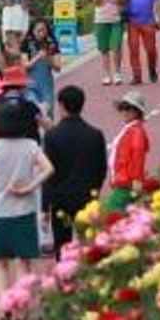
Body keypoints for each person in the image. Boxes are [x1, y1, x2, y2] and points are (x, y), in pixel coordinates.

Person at [0, 106, 54, 309]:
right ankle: (21, 306)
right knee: (23, 262)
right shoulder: (30, 145)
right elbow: (48, 169)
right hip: (25, 210)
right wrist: (30, 187)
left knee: (0, 262)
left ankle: (5, 304)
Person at [42, 86, 108, 255]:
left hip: (61, 199)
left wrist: (45, 206)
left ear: (61, 105)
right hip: (86, 197)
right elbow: (101, 168)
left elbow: (49, 173)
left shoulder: (52, 136)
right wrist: (94, 190)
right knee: (88, 244)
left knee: (62, 246)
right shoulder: (95, 134)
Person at [105, 93, 151, 211]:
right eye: (122, 108)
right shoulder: (131, 129)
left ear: (137, 112)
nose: (124, 111)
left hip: (126, 184)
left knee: (108, 214)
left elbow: (138, 156)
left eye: (128, 108)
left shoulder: (136, 131)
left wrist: (137, 180)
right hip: (122, 182)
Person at [89, 0, 127, 86]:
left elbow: (123, 1)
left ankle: (117, 73)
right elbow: (97, 3)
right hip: (101, 20)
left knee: (116, 47)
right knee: (104, 49)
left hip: (116, 19)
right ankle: (106, 74)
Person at [21, 18, 61, 121]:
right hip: (30, 84)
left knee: (48, 113)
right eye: (38, 30)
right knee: (33, 113)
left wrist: (48, 59)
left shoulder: (52, 44)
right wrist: (37, 57)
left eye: (43, 30)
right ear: (32, 31)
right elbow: (25, 66)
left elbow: (58, 67)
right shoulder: (26, 43)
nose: (41, 33)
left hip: (46, 83)